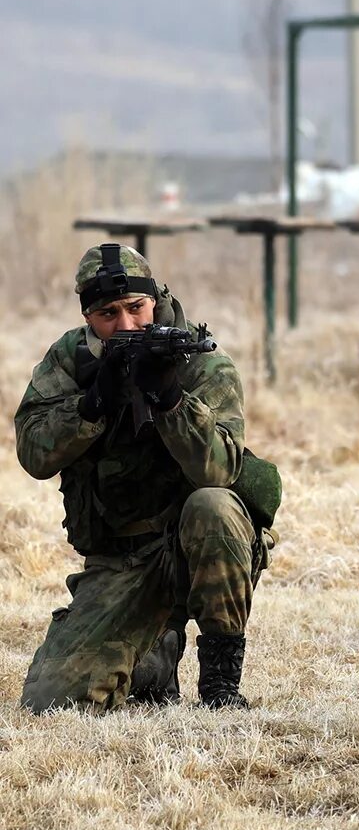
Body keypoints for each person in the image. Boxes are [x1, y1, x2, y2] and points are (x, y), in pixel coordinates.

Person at [14, 243, 275, 713]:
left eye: (136, 307)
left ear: (154, 299)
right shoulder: (70, 363)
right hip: (120, 559)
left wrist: (172, 399)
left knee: (214, 504)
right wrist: (93, 403)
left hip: (196, 545)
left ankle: (220, 685)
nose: (127, 325)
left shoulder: (200, 361)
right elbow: (34, 455)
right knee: (52, 701)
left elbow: (218, 470)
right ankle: (156, 655)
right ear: (88, 317)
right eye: (108, 313)